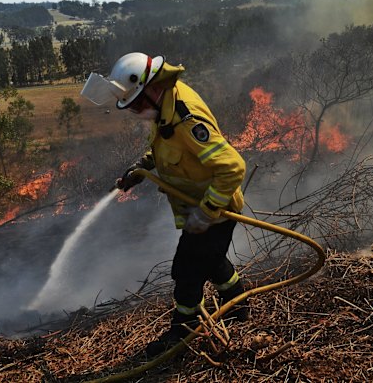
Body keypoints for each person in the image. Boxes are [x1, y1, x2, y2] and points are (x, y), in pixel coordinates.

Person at [81, 52, 249, 358]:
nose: (135, 111)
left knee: (186, 271)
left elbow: (233, 167)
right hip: (200, 208)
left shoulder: (186, 119)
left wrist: (207, 211)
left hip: (215, 210)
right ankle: (239, 307)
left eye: (136, 104)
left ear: (153, 88)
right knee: (211, 260)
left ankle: (181, 334)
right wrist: (140, 169)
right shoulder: (165, 108)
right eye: (130, 107)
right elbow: (167, 147)